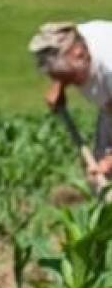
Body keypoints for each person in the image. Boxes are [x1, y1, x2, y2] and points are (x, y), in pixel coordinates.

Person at [29, 21, 112, 183]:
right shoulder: (72, 39)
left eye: (71, 77)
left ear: (80, 54)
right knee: (100, 169)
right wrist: (59, 84)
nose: (73, 83)